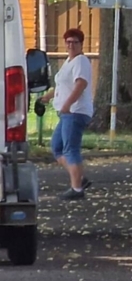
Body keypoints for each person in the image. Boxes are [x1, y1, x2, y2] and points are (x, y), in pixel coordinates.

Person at [39, 28, 93, 201]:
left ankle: (77, 189)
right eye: (68, 42)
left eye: (75, 42)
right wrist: (47, 96)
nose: (71, 45)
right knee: (57, 148)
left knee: (70, 149)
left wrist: (68, 104)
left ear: (81, 44)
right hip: (66, 113)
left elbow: (80, 84)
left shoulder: (81, 61)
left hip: (75, 112)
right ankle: (79, 178)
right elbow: (62, 85)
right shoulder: (68, 62)